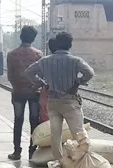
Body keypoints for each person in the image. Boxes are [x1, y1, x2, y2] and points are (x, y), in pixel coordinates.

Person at [24, 31, 95, 161]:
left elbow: (29, 72)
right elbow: (90, 72)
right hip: (70, 102)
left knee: (55, 135)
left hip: (53, 102)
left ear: (57, 44)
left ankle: (59, 162)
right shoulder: (75, 60)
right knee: (78, 133)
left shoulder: (45, 61)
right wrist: (78, 82)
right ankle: (83, 160)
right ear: (70, 45)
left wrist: (41, 83)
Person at [6, 26, 42, 160]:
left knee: (18, 120)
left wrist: (17, 85)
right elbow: (40, 74)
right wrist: (34, 86)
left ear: (21, 36)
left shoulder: (12, 54)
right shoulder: (38, 54)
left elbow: (10, 75)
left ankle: (16, 151)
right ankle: (32, 151)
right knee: (34, 121)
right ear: (33, 38)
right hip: (34, 92)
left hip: (18, 92)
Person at [37, 37, 59, 124]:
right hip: (63, 96)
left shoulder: (44, 61)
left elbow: (29, 72)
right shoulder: (70, 60)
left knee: (44, 118)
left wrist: (39, 82)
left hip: (46, 93)